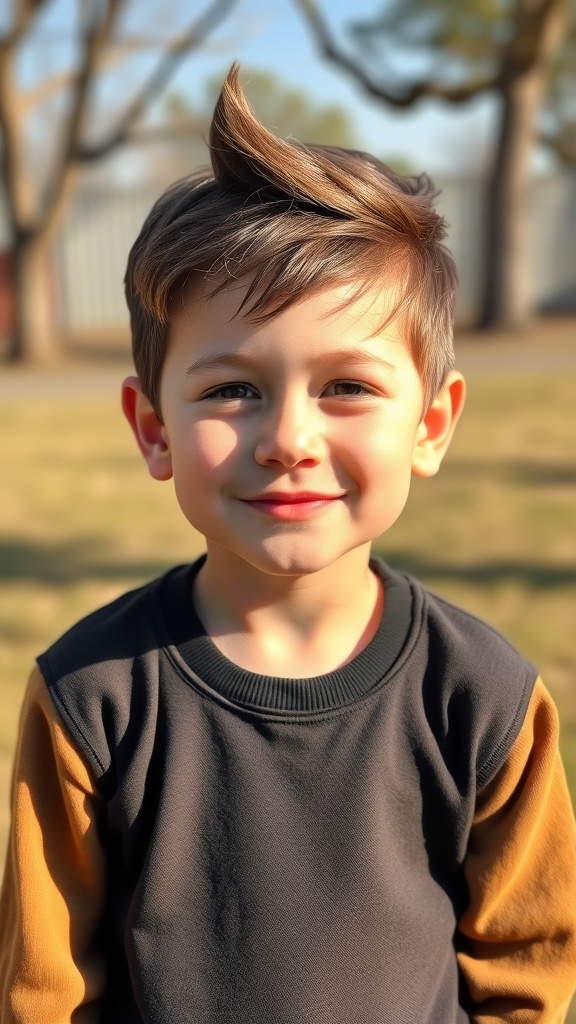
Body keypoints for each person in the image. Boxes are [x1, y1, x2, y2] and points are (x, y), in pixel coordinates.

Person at [1, 63, 575, 1024]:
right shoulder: (91, 697)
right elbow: (47, 993)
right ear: (152, 429)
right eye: (232, 389)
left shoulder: (485, 695)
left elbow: (530, 967)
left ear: (432, 424)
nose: (289, 439)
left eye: (347, 386)